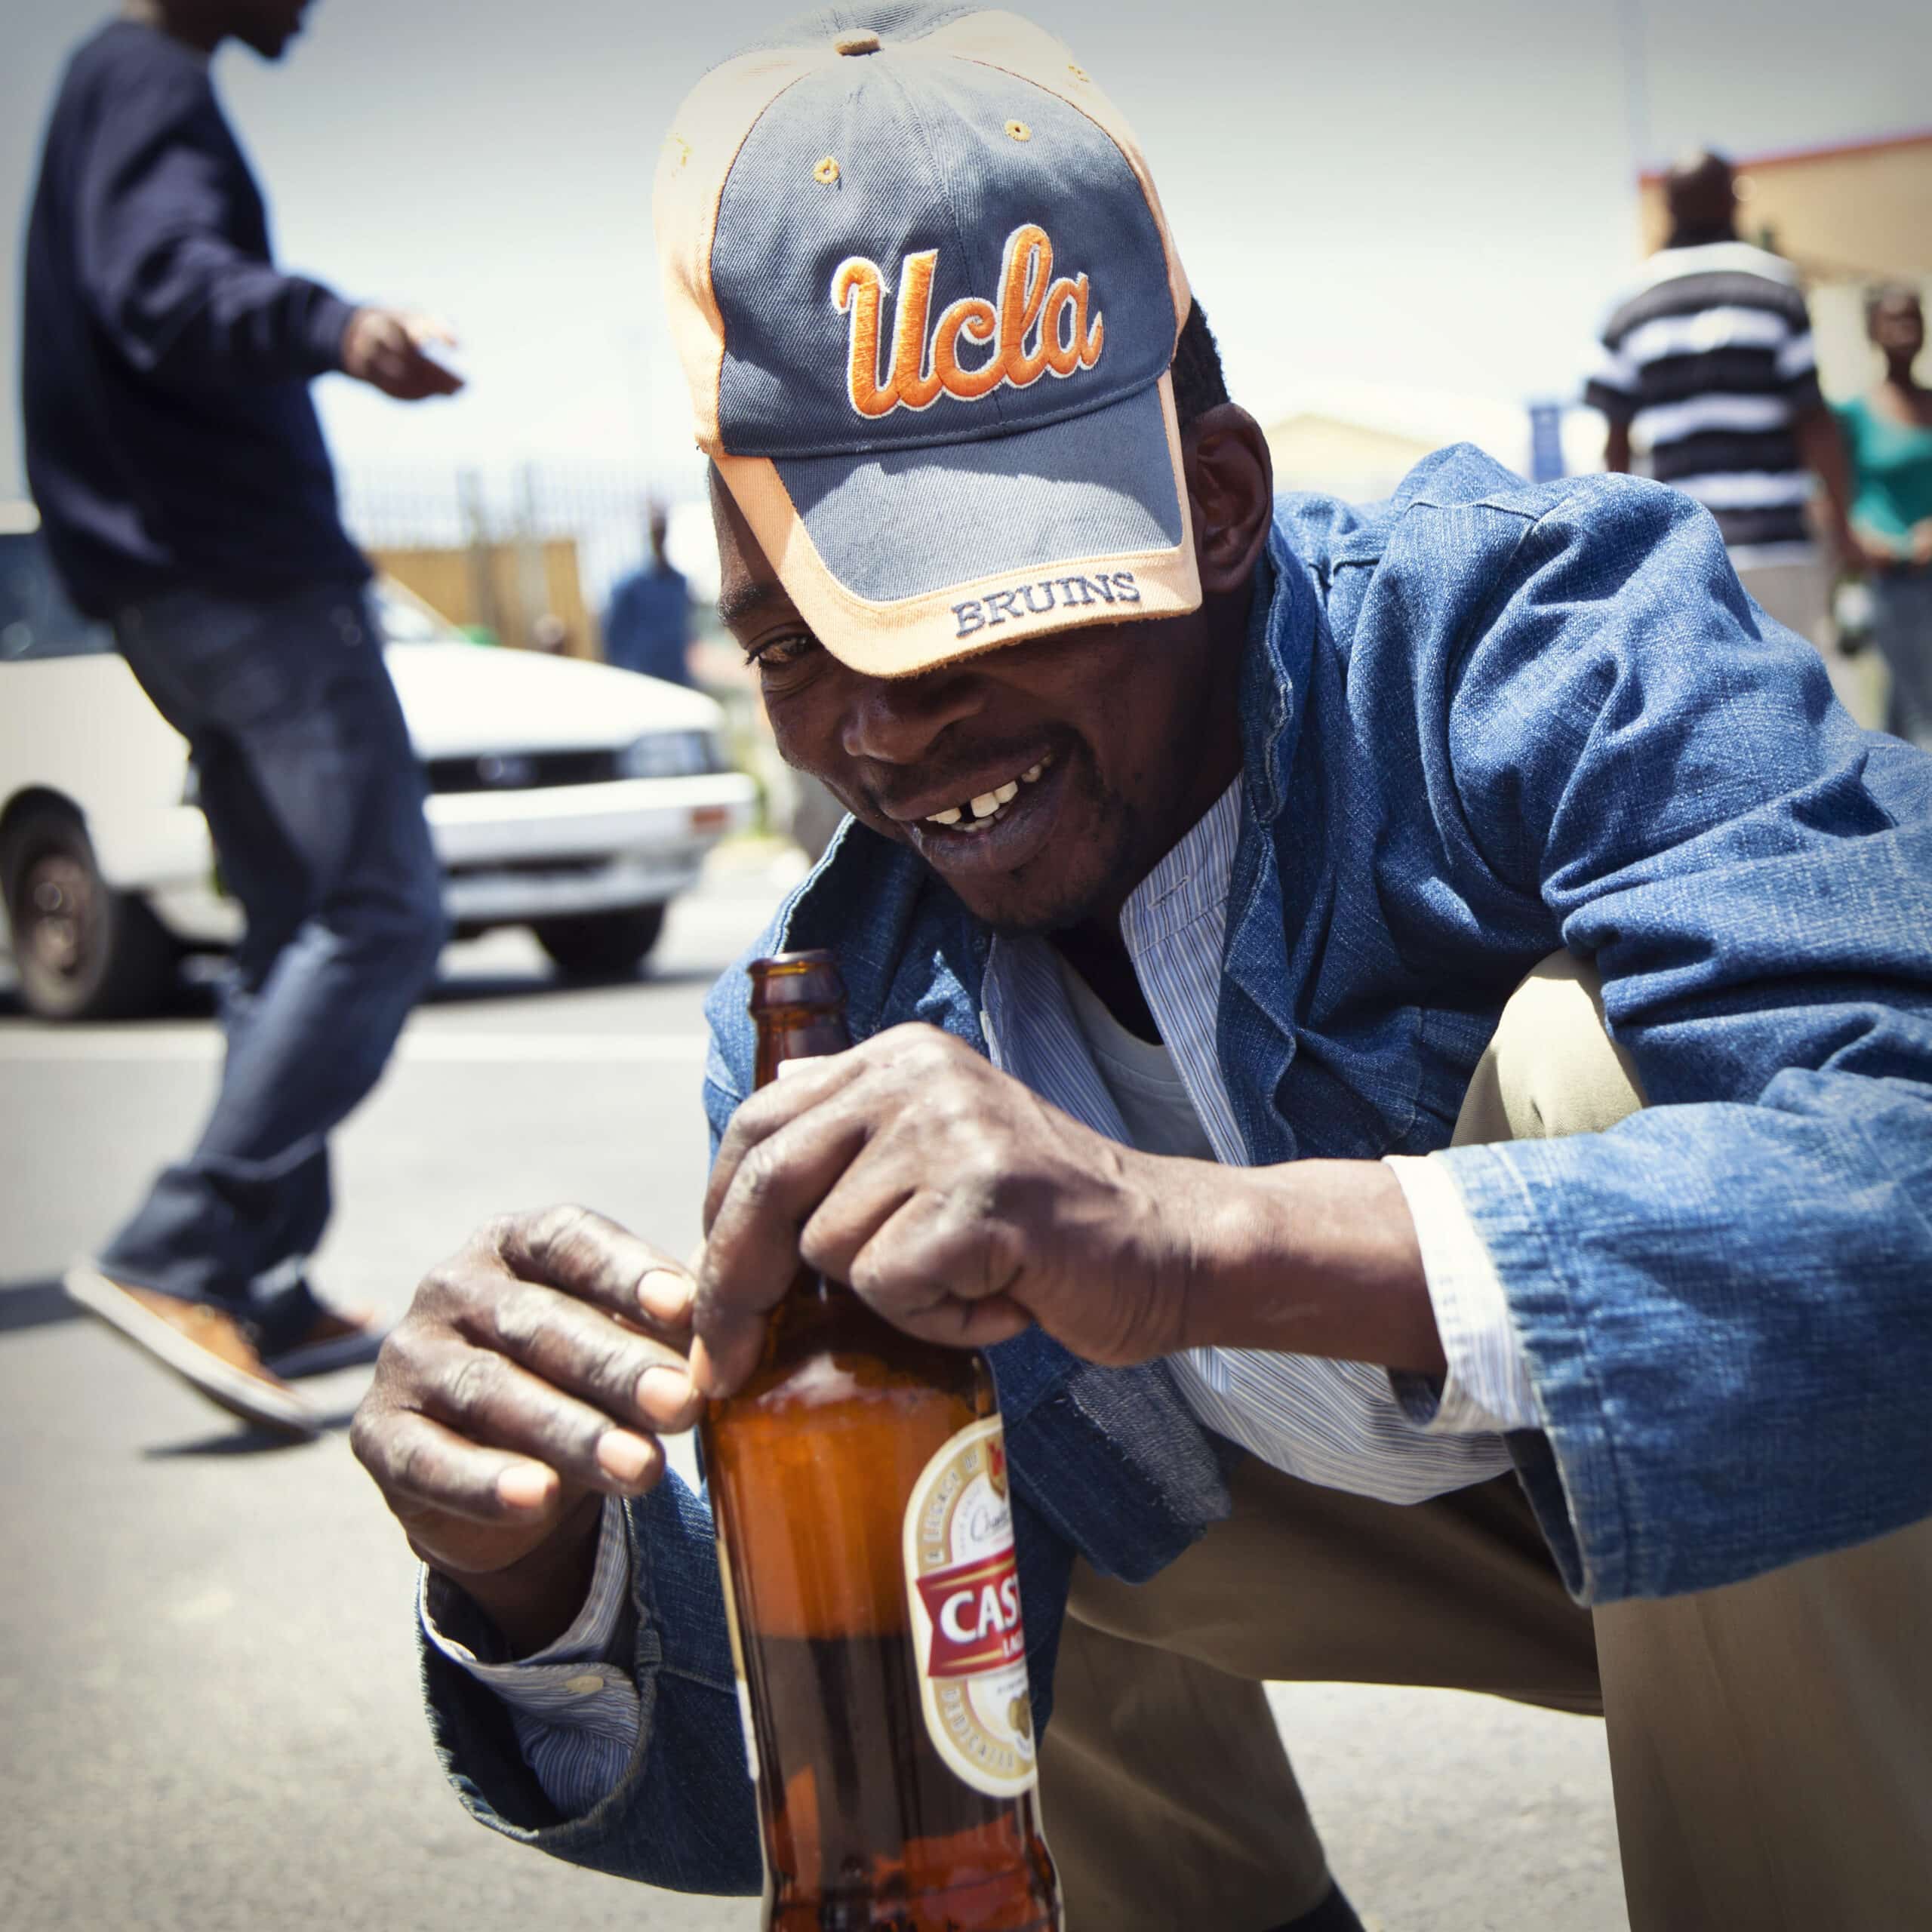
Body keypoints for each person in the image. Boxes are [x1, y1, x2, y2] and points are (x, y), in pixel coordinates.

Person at [351, 11, 1932, 1928]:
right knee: (923, 1400)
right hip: (1428, 1533)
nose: (872, 735)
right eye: (788, 648)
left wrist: (1176, 1237)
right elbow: (807, 1738)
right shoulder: (831, 1002)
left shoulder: (1526, 637)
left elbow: (1897, 1169)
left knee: (1583, 1067)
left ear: (1215, 504)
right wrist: (530, 1570)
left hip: (1840, 1527)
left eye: (945, 620)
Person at [24, 0, 462, 1439]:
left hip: (174, 587)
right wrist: (334, 325)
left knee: (293, 927)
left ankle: (260, 1276)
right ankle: (181, 1248)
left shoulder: (112, 82)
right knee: (379, 907)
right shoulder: (149, 78)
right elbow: (166, 287)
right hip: (248, 581)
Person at [1586, 149, 1872, 660]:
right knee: (1794, 710)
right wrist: (1844, 528)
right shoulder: (1775, 289)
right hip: (1776, 539)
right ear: (1732, 199)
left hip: (1682, 547)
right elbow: (1813, 420)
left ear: (1667, 208)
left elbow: (1616, 441)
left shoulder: (1631, 302)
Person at [1837, 286, 1932, 749]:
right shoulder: (1852, 414)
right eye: (1893, 319)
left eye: (1913, 318)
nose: (1904, 329)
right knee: (1906, 704)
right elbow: (1832, 493)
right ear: (1870, 331)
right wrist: (1859, 539)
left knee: (1913, 705)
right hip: (1882, 581)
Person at [600, 503, 693, 684]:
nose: (658, 534)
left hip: (676, 676)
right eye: (654, 528)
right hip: (643, 677)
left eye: (661, 528)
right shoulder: (629, 586)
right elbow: (613, 638)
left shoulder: (679, 583)